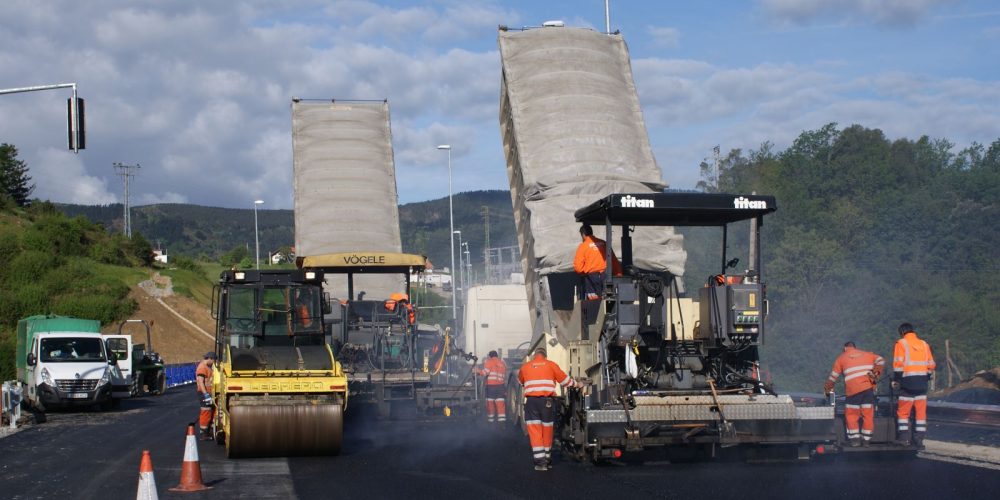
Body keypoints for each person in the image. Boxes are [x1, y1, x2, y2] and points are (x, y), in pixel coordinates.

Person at [517, 347, 582, 471]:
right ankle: (547, 458)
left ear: (534, 355)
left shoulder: (526, 366)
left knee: (535, 430)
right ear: (545, 356)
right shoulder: (551, 365)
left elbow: (520, 382)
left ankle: (540, 463)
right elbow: (564, 380)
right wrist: (577, 384)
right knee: (547, 429)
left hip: (531, 402)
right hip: (547, 402)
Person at [824, 341, 885, 447]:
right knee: (867, 414)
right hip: (867, 389)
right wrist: (875, 373)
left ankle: (855, 440)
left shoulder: (841, 358)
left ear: (844, 349)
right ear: (855, 347)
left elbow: (833, 376)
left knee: (852, 415)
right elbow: (881, 360)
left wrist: (828, 389)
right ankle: (866, 440)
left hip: (853, 391)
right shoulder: (867, 354)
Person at [892, 323, 936, 447]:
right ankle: (919, 440)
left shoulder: (901, 343)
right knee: (920, 413)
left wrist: (896, 381)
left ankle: (904, 438)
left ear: (901, 332)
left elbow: (898, 364)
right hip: (922, 384)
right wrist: (926, 376)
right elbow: (931, 365)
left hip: (907, 384)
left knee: (903, 412)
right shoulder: (924, 344)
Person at [573, 223, 623, 300]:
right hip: (606, 276)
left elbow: (578, 268)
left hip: (591, 278)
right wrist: (619, 274)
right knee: (608, 300)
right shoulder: (604, 243)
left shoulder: (583, 246)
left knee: (593, 303)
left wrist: (585, 272)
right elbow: (614, 261)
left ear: (583, 234)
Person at [478, 351, 507, 424]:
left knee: (490, 405)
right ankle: (502, 424)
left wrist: (477, 371)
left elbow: (485, 372)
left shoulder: (489, 362)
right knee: (500, 405)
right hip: (501, 387)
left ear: (490, 356)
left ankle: (491, 423)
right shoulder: (502, 363)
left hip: (491, 387)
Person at [196, 351, 217, 440]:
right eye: (214, 360)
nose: (214, 362)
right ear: (210, 358)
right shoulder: (202, 367)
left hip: (209, 393)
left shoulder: (208, 367)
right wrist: (205, 394)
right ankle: (204, 433)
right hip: (204, 393)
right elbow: (201, 382)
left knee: (212, 411)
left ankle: (209, 431)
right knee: (206, 411)